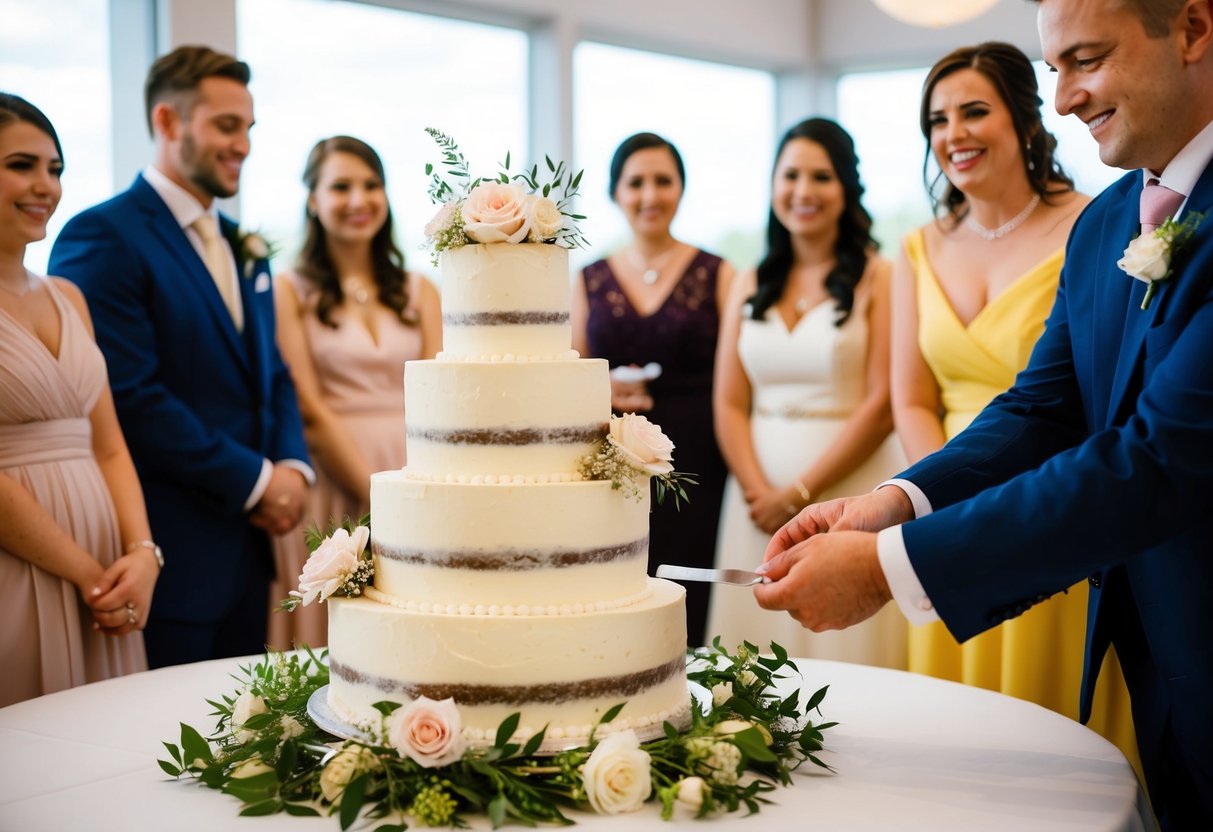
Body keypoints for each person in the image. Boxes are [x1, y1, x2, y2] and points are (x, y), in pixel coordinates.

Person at [755, 0, 1213, 825]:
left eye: (1088, 59)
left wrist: (887, 569)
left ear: (1191, 29)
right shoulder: (1109, 220)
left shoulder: (1079, 216)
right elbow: (1043, 407)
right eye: (1054, 71)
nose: (1067, 98)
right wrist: (890, 506)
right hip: (1160, 662)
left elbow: (1154, 460)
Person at [892, 41, 1136, 760]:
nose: (953, 134)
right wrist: (938, 501)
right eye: (936, 120)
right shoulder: (915, 247)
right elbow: (909, 396)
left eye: (974, 111)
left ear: (1027, 121)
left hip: (1051, 504)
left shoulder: (1096, 227)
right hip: (943, 505)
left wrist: (1001, 515)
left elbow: (1086, 401)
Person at [48, 46, 312, 668]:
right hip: (169, 551)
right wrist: (256, 481)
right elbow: (129, 395)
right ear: (168, 123)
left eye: (248, 128)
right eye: (226, 125)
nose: (242, 144)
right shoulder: (104, 236)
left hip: (249, 556)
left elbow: (269, 372)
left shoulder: (241, 243)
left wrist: (294, 466)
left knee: (243, 737)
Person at [707, 118, 905, 667]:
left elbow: (883, 402)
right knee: (752, 650)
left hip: (844, 494)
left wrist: (797, 492)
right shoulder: (749, 282)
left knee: (842, 648)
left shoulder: (880, 276)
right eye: (790, 175)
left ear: (846, 188)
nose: (803, 191)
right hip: (752, 506)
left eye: (821, 176)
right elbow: (728, 401)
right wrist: (757, 490)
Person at [0, 93, 159, 705]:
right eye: (22, 164)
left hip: (110, 572)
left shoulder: (69, 296)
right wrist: (91, 576)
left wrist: (142, 556)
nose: (45, 185)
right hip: (26, 566)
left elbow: (111, 447)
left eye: (56, 168)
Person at [267, 136, 441, 650]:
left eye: (371, 185)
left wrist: (414, 494)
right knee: (337, 635)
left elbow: (437, 394)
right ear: (312, 200)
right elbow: (307, 405)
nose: (358, 200)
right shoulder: (290, 290)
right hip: (333, 475)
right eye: (340, 186)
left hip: (414, 469)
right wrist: (378, 498)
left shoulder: (419, 289)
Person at [571, 132, 734, 647]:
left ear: (681, 189)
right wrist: (606, 387)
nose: (649, 195)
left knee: (692, 589)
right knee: (621, 588)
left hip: (699, 461)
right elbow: (572, 372)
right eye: (635, 182)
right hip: (615, 461)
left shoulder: (719, 273)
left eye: (663, 181)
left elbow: (736, 374)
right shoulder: (589, 278)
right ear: (615, 193)